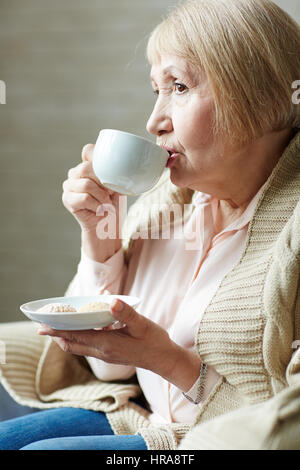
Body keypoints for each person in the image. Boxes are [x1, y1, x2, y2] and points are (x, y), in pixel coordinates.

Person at [0, 0, 300, 450]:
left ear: (258, 95)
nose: (153, 122)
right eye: (155, 90)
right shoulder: (167, 203)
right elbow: (110, 369)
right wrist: (100, 239)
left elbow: (279, 427)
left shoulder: (290, 231)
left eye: (178, 87)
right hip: (139, 420)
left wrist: (166, 360)